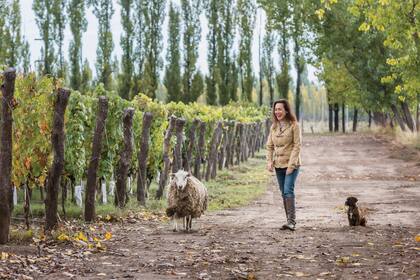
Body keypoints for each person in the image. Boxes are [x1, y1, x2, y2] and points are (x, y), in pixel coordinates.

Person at [266, 99, 301, 231]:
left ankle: (292, 222)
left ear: (286, 110)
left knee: (288, 190)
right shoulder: (273, 127)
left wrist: (291, 166)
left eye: (280, 109)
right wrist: (269, 161)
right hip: (278, 165)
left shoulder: (294, 125)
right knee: (283, 193)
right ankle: (288, 221)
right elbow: (269, 146)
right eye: (275, 109)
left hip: (292, 164)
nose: (277, 112)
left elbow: (297, 146)